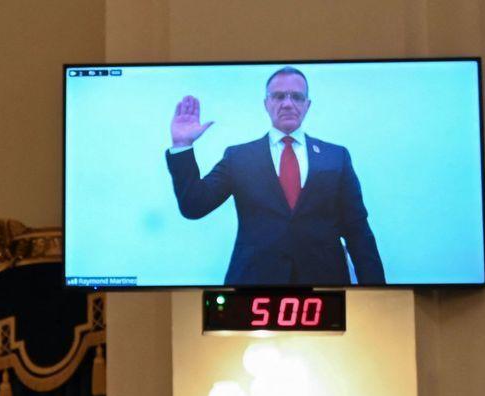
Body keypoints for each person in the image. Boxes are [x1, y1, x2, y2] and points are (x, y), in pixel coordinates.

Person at [165, 66, 385, 286]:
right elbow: (194, 205)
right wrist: (182, 146)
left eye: (297, 97)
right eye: (279, 96)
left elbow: (358, 231)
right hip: (255, 284)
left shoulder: (336, 157)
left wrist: (377, 292)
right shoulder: (239, 157)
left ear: (307, 105)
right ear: (266, 104)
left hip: (324, 285)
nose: (288, 103)